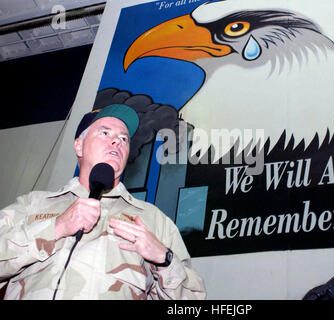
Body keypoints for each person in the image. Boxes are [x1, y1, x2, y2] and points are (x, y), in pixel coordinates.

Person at [0, 104, 206, 300]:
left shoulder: (154, 221)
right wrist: (56, 227)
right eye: (105, 133)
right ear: (78, 146)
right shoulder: (32, 205)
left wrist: (164, 259)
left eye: (124, 138)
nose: (117, 141)